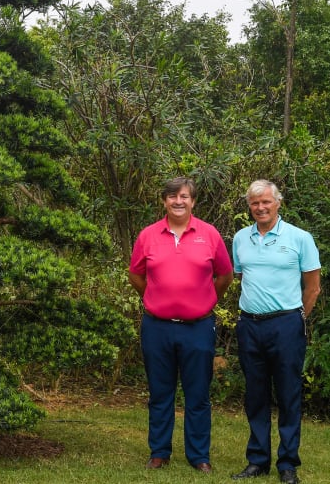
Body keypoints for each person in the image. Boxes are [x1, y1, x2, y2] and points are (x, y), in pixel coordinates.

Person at [128, 177, 233, 474]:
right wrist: (155, 296)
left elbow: (224, 276)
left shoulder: (209, 234)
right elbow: (136, 275)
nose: (178, 201)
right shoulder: (148, 235)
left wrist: (206, 299)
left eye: (184, 196)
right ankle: (159, 452)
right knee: (160, 393)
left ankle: (199, 455)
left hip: (198, 327)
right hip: (157, 327)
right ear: (164, 201)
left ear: (193, 201)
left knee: (198, 394)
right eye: (172, 196)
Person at [230, 180, 321, 484]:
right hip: (249, 325)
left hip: (286, 325)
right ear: (249, 207)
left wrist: (295, 319)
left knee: (288, 394)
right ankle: (257, 461)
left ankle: (287, 464)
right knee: (255, 395)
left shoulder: (300, 238)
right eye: (255, 203)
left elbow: (312, 287)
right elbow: (243, 276)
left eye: (266, 202)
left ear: (278, 203)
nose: (260, 208)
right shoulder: (241, 238)